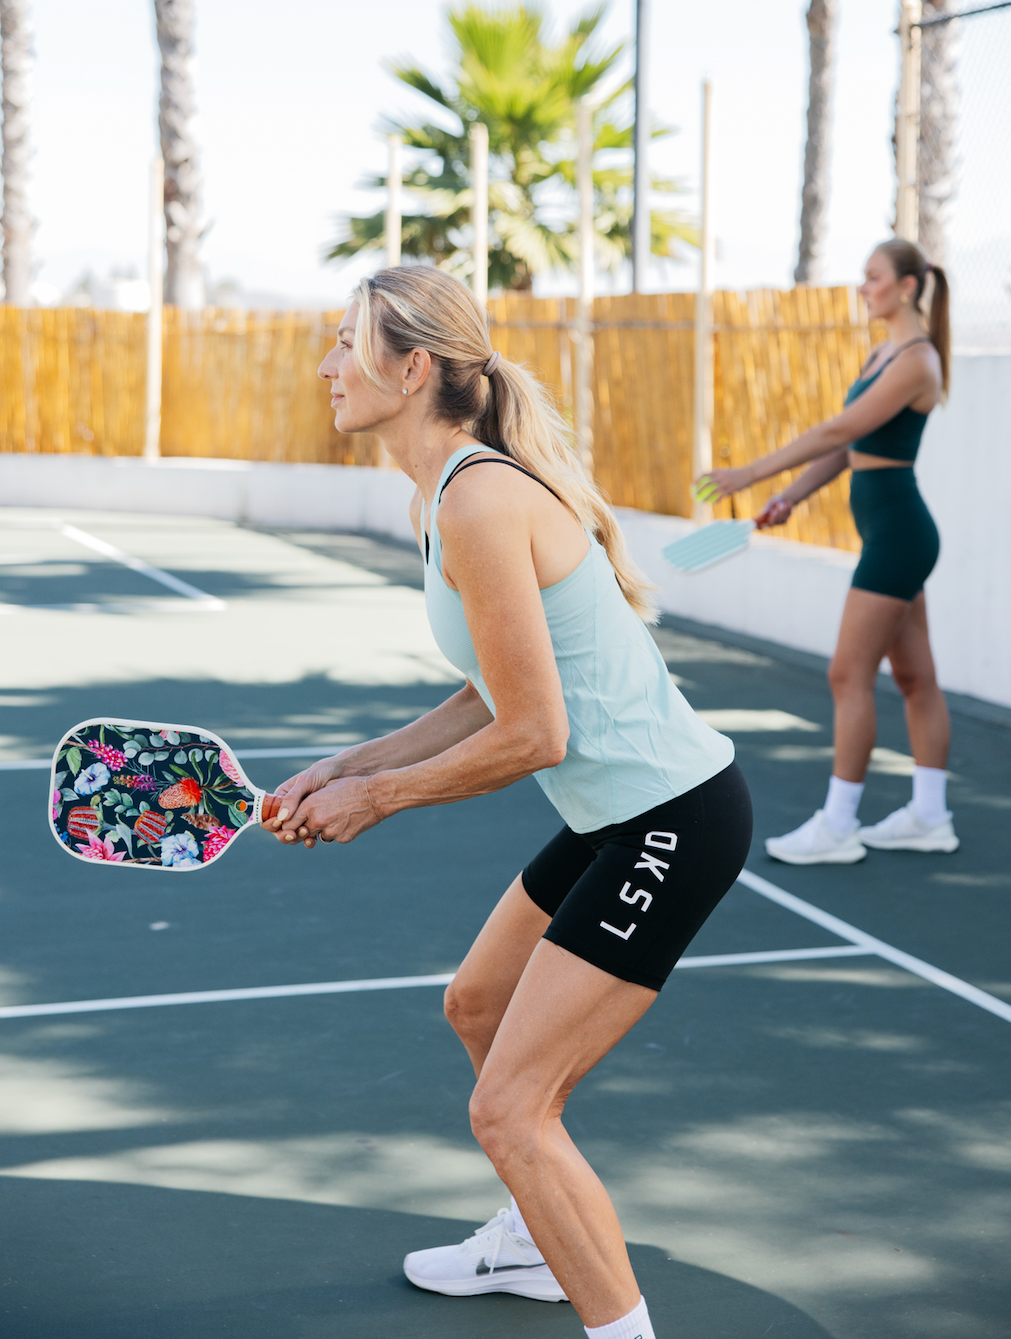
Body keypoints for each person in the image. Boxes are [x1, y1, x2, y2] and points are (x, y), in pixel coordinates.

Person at [266, 266, 753, 1339]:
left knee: (508, 1112)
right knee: (475, 1005)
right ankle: (536, 1245)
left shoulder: (481, 496)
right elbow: (488, 687)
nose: (328, 365)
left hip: (674, 817)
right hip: (611, 818)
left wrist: (379, 798)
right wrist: (346, 764)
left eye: (348, 343)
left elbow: (536, 734)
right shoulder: (435, 496)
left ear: (412, 366)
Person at [697, 239, 958, 865]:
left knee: (848, 673)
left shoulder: (917, 361)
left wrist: (749, 473)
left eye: (872, 278)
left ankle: (838, 825)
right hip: (889, 531)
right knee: (916, 678)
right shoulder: (884, 353)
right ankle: (929, 815)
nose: (863, 287)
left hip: (899, 534)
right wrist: (789, 494)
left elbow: (837, 429)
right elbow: (848, 450)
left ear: (907, 286)